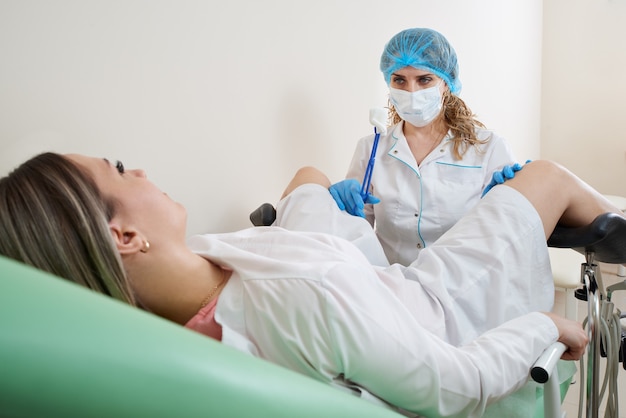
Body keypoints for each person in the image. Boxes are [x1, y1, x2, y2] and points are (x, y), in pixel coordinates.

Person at [3, 153, 623, 417]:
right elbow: (453, 385)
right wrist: (545, 325)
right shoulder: (300, 298)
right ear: (123, 238)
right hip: (430, 306)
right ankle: (610, 230)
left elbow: (297, 276)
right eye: (117, 169)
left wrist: (324, 209)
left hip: (352, 278)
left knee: (307, 175)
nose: (136, 168)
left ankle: (322, 201)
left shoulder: (183, 284)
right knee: (545, 179)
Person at [330, 27, 522, 266]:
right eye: (399, 80)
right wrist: (343, 212)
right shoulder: (371, 148)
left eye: (424, 80)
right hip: (391, 285)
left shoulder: (488, 148)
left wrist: (503, 202)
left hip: (459, 288)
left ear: (446, 83)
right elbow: (356, 235)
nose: (411, 91)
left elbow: (506, 237)